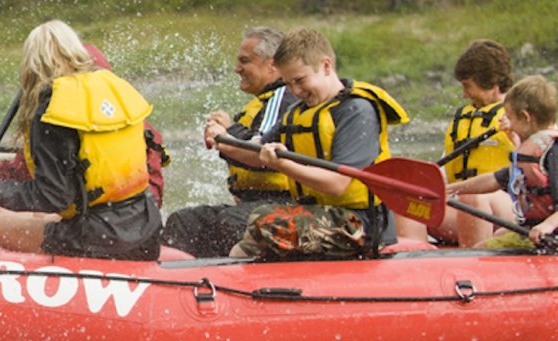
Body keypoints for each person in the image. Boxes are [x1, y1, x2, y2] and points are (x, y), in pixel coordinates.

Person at [0, 20, 163, 261]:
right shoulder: (112, 92)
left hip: (100, 237)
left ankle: (17, 287)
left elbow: (53, 197)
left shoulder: (53, 111)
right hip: (146, 229)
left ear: (33, 65)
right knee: (1, 209)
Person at [216, 28, 409, 260]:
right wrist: (223, 140)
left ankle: (235, 269)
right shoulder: (297, 112)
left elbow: (337, 185)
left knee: (266, 220)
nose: (296, 91)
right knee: (260, 221)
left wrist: (284, 165)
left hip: (360, 224)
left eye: (300, 80)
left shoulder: (356, 111)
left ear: (325, 66)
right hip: (319, 213)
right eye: (288, 84)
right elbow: (256, 152)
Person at [160, 27, 299, 257]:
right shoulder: (261, 104)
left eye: (245, 61)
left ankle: (231, 284)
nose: (237, 69)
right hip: (253, 202)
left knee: (231, 221)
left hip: (283, 203)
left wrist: (226, 133)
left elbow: (260, 152)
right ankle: (176, 282)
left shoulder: (283, 97)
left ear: (273, 64)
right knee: (184, 222)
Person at [412, 40, 515, 246]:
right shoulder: (464, 119)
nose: (464, 94)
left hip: (507, 211)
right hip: (464, 206)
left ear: (492, 81)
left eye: (468, 86)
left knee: (472, 198)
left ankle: (474, 265)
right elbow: (444, 172)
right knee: (409, 199)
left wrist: (515, 136)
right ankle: (415, 258)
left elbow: (540, 167)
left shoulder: (520, 115)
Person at [446, 75, 558, 250]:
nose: (509, 126)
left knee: (478, 252)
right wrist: (450, 190)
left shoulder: (552, 152)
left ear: (525, 117)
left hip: (549, 235)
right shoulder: (532, 154)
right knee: (494, 239)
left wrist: (548, 226)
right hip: (534, 231)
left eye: (511, 118)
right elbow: (495, 179)